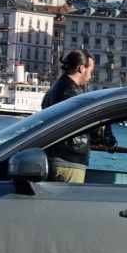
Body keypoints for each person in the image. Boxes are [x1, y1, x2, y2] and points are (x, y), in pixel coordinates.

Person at [41, 49, 95, 182]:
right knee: (70, 201)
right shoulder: (71, 91)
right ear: (82, 68)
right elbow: (79, 122)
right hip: (69, 160)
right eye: (91, 71)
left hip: (54, 154)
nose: (90, 77)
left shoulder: (56, 87)